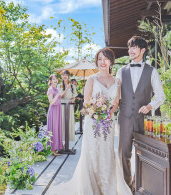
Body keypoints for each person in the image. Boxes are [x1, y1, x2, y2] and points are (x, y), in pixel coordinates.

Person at [48, 48, 132, 195]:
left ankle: (108, 187)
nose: (102, 62)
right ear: (96, 61)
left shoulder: (117, 81)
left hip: (108, 122)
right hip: (93, 122)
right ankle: (91, 188)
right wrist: (97, 110)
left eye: (105, 58)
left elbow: (116, 102)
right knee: (93, 153)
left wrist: (109, 111)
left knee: (106, 153)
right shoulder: (91, 79)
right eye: (99, 59)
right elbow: (86, 102)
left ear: (111, 61)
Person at [116, 36, 165, 192]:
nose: (130, 50)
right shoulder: (120, 71)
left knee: (143, 154)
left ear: (143, 50)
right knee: (124, 153)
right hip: (124, 118)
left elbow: (160, 96)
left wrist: (150, 105)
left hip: (144, 120)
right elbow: (115, 96)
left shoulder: (152, 71)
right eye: (129, 47)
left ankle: (139, 185)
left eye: (134, 47)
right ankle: (127, 186)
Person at [57, 70, 77, 141]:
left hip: (69, 105)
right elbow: (61, 96)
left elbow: (74, 96)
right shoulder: (59, 85)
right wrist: (66, 89)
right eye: (63, 75)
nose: (64, 76)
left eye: (66, 75)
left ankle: (69, 139)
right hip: (62, 105)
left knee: (69, 121)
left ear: (68, 76)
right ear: (61, 76)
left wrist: (72, 100)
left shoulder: (72, 86)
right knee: (62, 121)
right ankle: (61, 140)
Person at [47, 74, 63, 156]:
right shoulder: (50, 89)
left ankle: (57, 147)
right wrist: (57, 95)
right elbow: (51, 102)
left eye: (56, 78)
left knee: (57, 128)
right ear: (50, 81)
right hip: (53, 110)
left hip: (58, 110)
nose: (55, 80)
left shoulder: (56, 88)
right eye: (53, 79)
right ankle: (53, 149)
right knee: (53, 128)